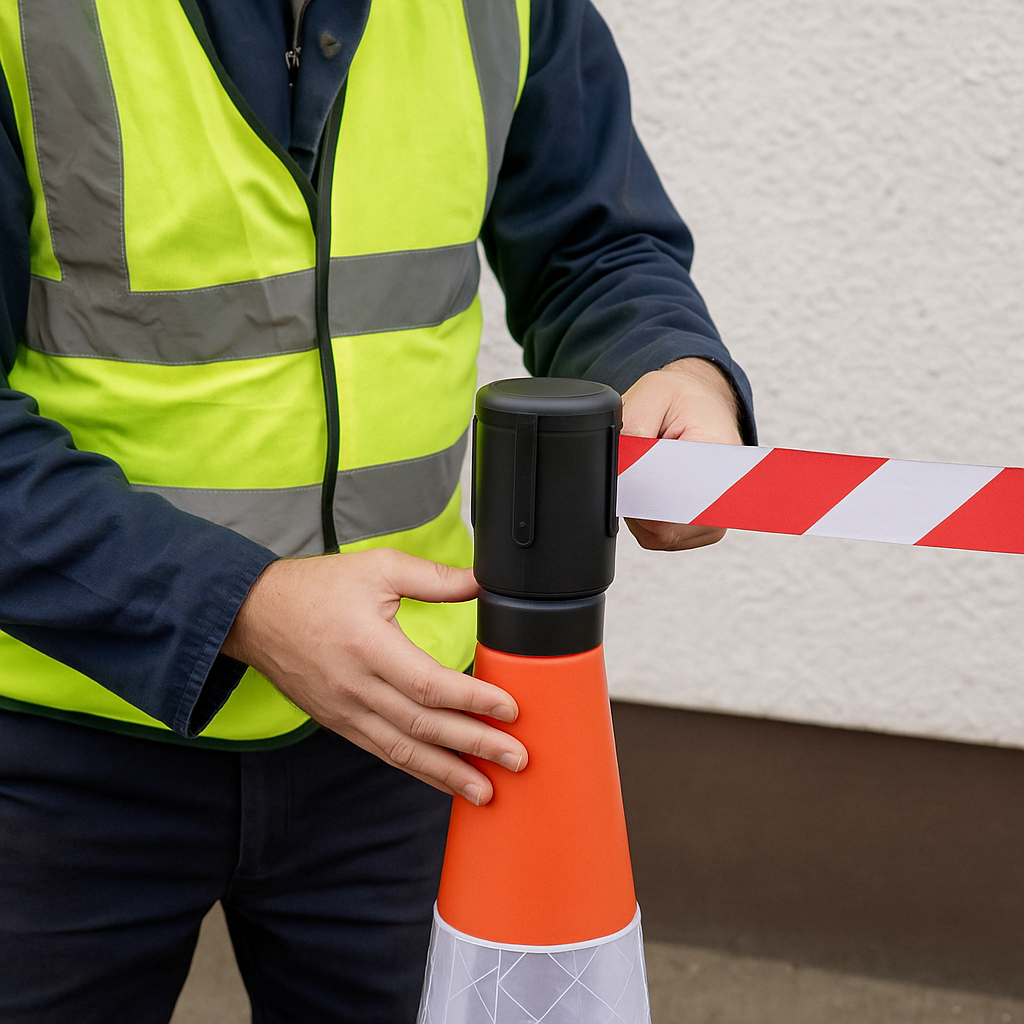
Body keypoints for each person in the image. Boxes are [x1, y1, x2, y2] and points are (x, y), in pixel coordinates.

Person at [0, 0, 755, 1021]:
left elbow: (593, 246)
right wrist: (240, 605)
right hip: (57, 733)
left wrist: (667, 361)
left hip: (407, 728)